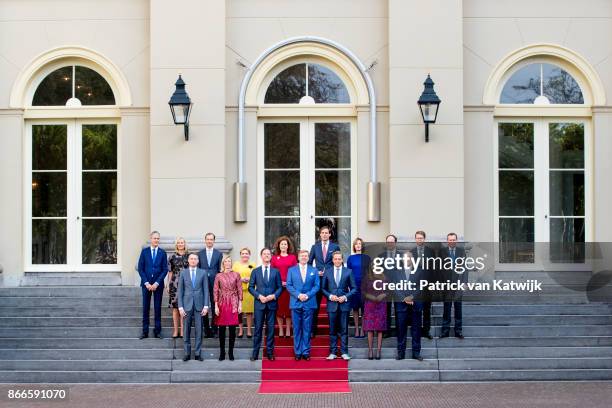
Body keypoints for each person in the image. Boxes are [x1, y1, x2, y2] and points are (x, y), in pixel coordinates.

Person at [249, 248, 283, 361]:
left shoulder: (276, 271)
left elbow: (280, 287)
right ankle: (255, 353)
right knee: (258, 329)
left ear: (271, 256)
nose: (267, 255)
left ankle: (270, 352)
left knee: (271, 329)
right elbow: (250, 287)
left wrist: (273, 296)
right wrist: (259, 296)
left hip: (272, 303)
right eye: (264, 254)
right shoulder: (255, 271)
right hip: (259, 304)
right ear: (261, 256)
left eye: (268, 254)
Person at [322, 251, 357, 361]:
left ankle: (344, 352)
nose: (337, 261)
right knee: (332, 330)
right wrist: (330, 296)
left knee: (344, 330)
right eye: (335, 259)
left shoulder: (348, 272)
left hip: (344, 304)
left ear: (342, 260)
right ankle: (332, 352)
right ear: (332, 260)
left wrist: (345, 297)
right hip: (332, 304)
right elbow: (323, 289)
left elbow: (354, 288)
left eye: (339, 259)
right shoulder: (327, 272)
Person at [286, 249, 320, 361]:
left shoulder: (313, 270)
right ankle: (297, 352)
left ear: (308, 258)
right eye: (302, 256)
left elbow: (316, 286)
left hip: (309, 302)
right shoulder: (291, 270)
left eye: (306, 256)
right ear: (298, 257)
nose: (304, 257)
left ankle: (305, 351)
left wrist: (307, 295)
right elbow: (289, 286)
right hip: (296, 302)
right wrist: (299, 295)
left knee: (307, 328)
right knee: (296, 328)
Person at [178, 253, 210, 361]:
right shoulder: (183, 273)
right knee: (186, 330)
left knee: (199, 330)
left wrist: (206, 306)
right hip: (186, 305)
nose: (193, 260)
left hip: (199, 305)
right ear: (188, 260)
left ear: (198, 261)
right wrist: (180, 307)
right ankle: (187, 353)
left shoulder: (203, 273)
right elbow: (180, 291)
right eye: (191, 259)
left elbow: (206, 290)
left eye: (195, 259)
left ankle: (197, 353)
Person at [308, 226, 339, 336]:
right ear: (320, 235)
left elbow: (338, 262)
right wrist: (315, 272)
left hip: (331, 281)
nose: (325, 234)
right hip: (318, 280)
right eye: (323, 233)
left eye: (327, 233)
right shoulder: (315, 247)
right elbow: (309, 263)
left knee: (334, 307)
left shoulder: (335, 247)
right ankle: (312, 330)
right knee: (315, 306)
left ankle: (335, 331)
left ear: (330, 235)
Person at [137, 231, 168, 339]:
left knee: (157, 308)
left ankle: (157, 331)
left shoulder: (162, 253)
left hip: (158, 285)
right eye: (155, 238)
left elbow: (165, 270)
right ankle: (145, 331)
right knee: (146, 308)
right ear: (151, 239)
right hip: (146, 285)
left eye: (158, 238)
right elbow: (140, 268)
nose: (156, 240)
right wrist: (146, 282)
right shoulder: (144, 252)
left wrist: (156, 283)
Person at [214, 255, 243, 361]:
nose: (227, 263)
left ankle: (231, 352)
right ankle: (222, 352)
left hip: (233, 302)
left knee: (232, 329)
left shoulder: (236, 274)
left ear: (231, 263)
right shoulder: (218, 275)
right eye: (225, 261)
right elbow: (216, 290)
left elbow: (239, 289)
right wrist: (216, 305)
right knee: (221, 329)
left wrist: (240, 304)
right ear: (223, 263)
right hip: (222, 303)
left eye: (229, 261)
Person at [438, 232, 466, 339]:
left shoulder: (461, 251)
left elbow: (465, 268)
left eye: (454, 240)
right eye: (450, 240)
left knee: (458, 309)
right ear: (447, 241)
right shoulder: (442, 252)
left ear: (456, 241)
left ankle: (458, 331)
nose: (452, 241)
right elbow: (439, 269)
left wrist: (464, 283)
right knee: (447, 309)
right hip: (447, 286)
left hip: (458, 285)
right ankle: (445, 331)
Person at [410, 230, 436, 340]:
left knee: (426, 308)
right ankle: (416, 331)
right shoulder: (411, 252)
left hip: (427, 285)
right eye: (417, 238)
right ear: (415, 239)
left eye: (421, 238)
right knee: (416, 309)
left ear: (424, 239)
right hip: (415, 285)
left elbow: (434, 268)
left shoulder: (430, 251)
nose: (419, 240)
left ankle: (426, 330)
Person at [271, 236, 297, 338]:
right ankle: (281, 329)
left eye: (285, 244)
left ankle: (288, 330)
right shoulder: (274, 258)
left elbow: (295, 272)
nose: (283, 246)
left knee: (288, 309)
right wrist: (279, 282)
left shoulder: (292, 257)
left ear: (288, 246)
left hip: (289, 288)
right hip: (278, 287)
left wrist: (288, 282)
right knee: (279, 309)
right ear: (279, 245)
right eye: (281, 244)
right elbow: (272, 272)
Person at [198, 232, 222, 338]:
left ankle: (215, 329)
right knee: (204, 305)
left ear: (214, 241)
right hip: (202, 283)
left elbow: (220, 270)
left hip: (215, 283)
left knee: (215, 305)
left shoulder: (218, 254)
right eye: (207, 239)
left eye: (211, 239)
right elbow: (198, 269)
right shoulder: (200, 253)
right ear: (205, 240)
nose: (209, 241)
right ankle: (206, 330)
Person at [362, 266, 387, 360]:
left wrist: (383, 294)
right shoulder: (367, 277)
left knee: (380, 328)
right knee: (370, 328)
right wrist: (369, 296)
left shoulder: (384, 278)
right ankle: (370, 350)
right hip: (370, 304)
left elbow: (389, 290)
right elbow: (363, 291)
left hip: (381, 304)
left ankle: (378, 350)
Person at [167, 237, 190, 338]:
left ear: (185, 244)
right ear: (176, 245)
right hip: (174, 284)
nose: (181, 244)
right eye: (179, 243)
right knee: (175, 309)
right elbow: (170, 272)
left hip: (186, 284)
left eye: (182, 242)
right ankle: (176, 331)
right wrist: (168, 284)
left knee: (183, 308)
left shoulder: (189, 256)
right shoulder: (172, 257)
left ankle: (183, 331)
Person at [347, 238, 370, 338]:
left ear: (362, 245)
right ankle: (356, 329)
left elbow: (370, 272)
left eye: (360, 244)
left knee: (364, 308)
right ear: (354, 246)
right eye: (356, 244)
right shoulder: (350, 258)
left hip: (365, 286)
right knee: (355, 308)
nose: (358, 245)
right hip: (354, 286)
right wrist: (349, 286)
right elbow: (348, 273)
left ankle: (363, 329)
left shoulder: (367, 258)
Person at [233, 248, 255, 338]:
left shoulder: (253, 264)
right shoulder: (236, 265)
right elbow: (233, 276)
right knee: (239, 311)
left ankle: (249, 330)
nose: (245, 255)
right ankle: (241, 330)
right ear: (240, 255)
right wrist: (241, 279)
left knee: (249, 311)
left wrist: (249, 279)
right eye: (243, 253)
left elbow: (255, 276)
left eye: (246, 253)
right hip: (239, 290)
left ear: (249, 255)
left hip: (249, 291)